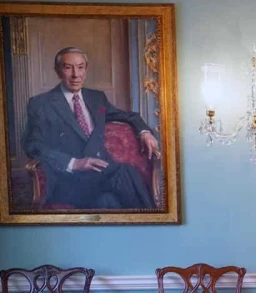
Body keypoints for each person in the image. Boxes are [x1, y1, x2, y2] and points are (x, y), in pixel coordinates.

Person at [22, 47, 158, 209]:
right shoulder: (41, 104)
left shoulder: (96, 98)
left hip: (101, 177)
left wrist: (145, 132)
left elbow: (130, 116)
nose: (75, 74)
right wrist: (75, 163)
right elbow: (33, 145)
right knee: (124, 172)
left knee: (108, 202)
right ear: (58, 71)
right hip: (68, 180)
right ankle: (156, 222)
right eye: (68, 67)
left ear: (86, 69)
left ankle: (146, 227)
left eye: (80, 67)